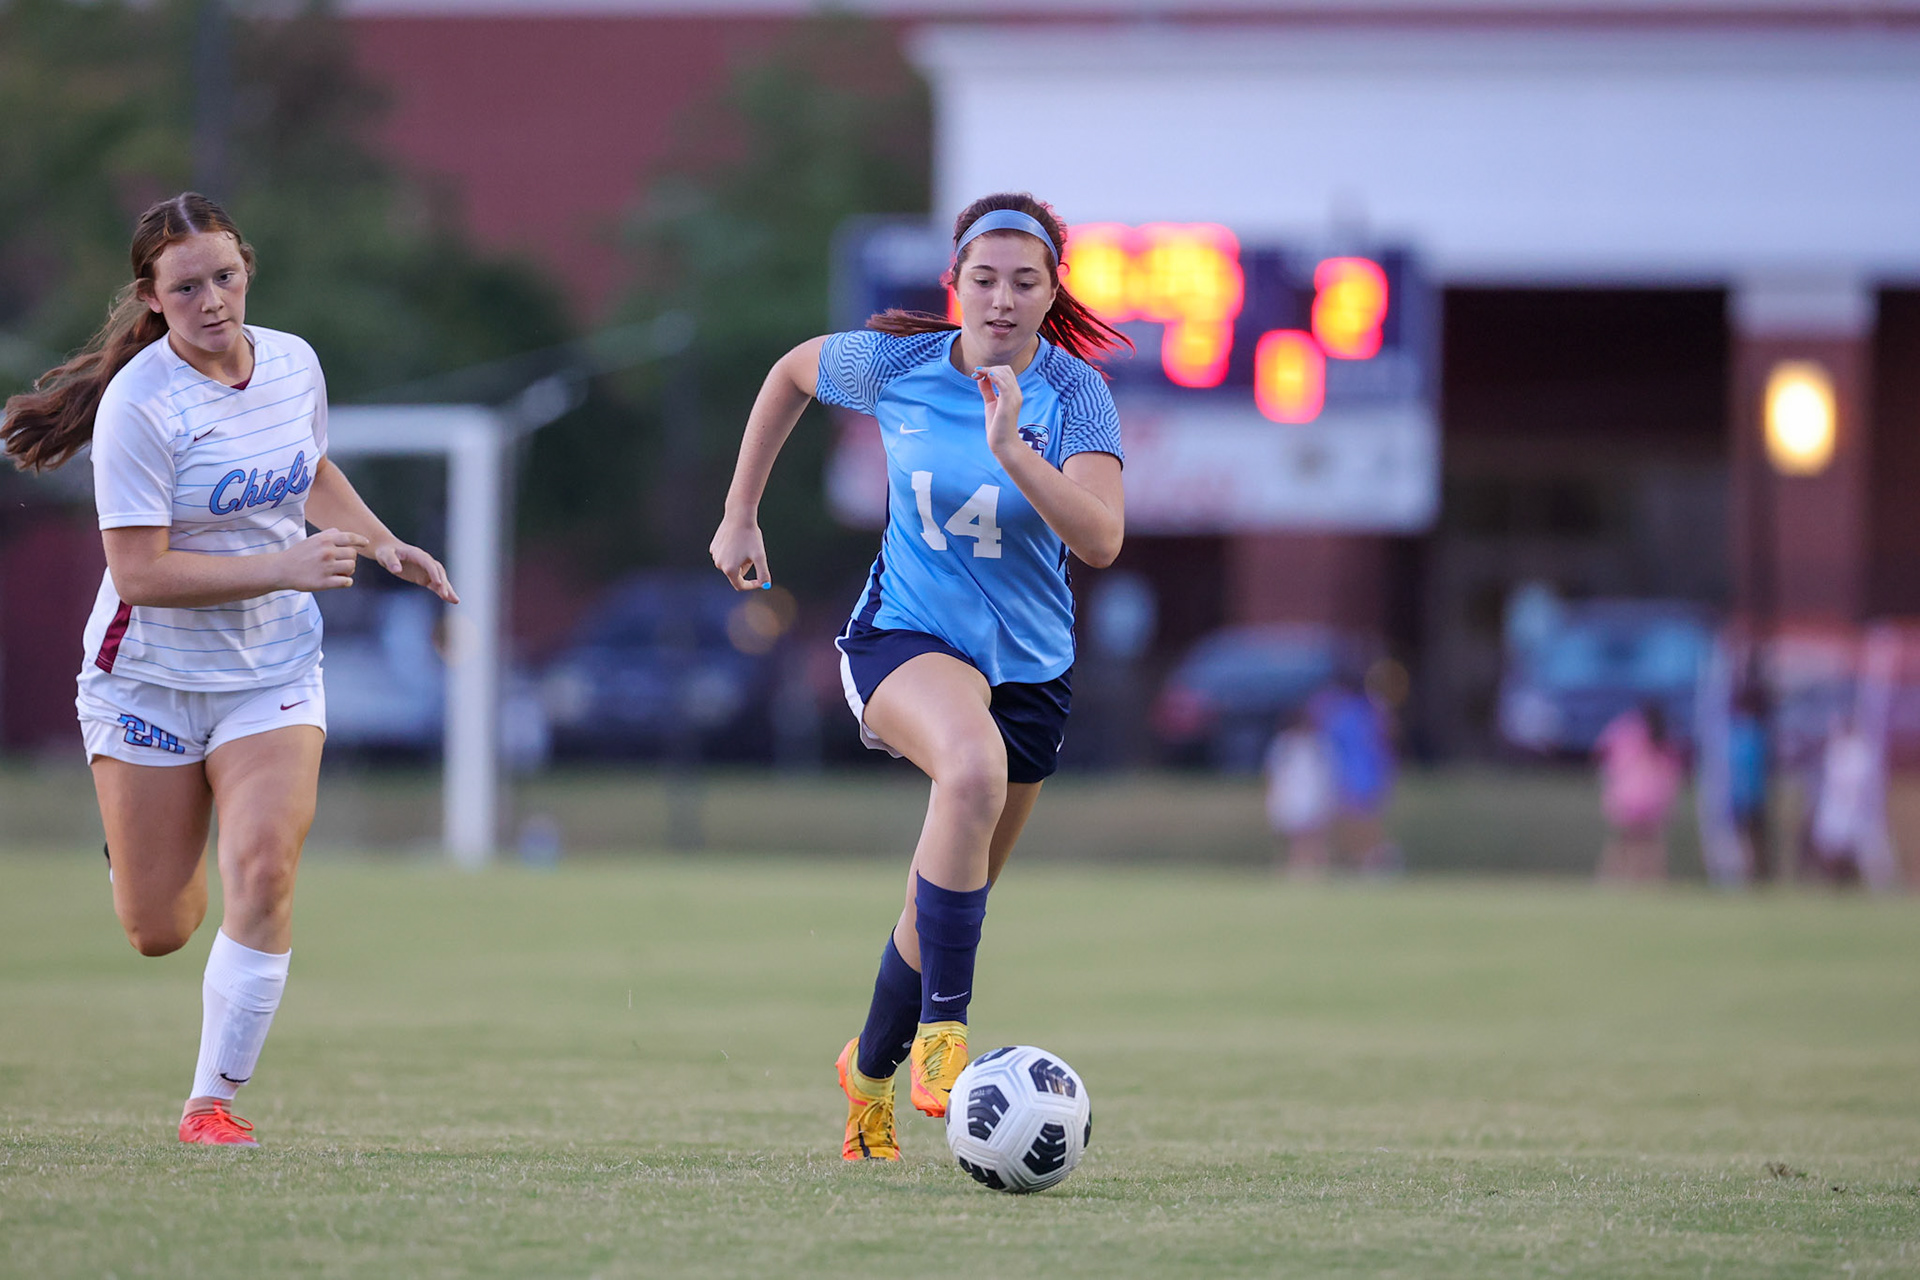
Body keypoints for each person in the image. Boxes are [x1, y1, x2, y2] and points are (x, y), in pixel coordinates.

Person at [0, 193, 457, 1146]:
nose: (211, 300)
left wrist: (378, 544)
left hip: (272, 671)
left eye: (225, 277)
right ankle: (141, 841)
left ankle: (211, 1105)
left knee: (263, 865)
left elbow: (310, 470)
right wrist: (285, 563)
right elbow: (139, 573)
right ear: (150, 296)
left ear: (246, 268)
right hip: (150, 679)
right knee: (159, 925)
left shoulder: (292, 362)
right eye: (186, 286)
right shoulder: (140, 406)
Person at [708, 193, 1127, 1161]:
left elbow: (1101, 537)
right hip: (902, 636)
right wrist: (740, 513)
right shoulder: (899, 364)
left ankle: (867, 1076)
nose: (1003, 298)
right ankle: (947, 1031)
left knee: (941, 898)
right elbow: (788, 373)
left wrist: (1012, 449)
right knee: (969, 771)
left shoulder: (1075, 395)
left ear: (1051, 290)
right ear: (955, 283)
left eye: (1026, 281)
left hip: (1030, 674)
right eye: (984, 278)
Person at [1594, 702, 1683, 882]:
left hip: (1627, 798)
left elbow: (1604, 754)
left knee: (1624, 843)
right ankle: (1651, 881)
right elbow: (1672, 774)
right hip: (1652, 799)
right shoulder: (1663, 739)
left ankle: (1612, 879)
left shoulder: (1626, 731)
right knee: (1650, 844)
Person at [1263, 707, 1336, 876]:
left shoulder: (1318, 745)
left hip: (1312, 795)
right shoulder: (1284, 745)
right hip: (1292, 796)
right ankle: (1298, 867)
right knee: (1296, 836)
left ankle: (1315, 869)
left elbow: (1327, 774)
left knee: (1313, 836)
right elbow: (1273, 773)